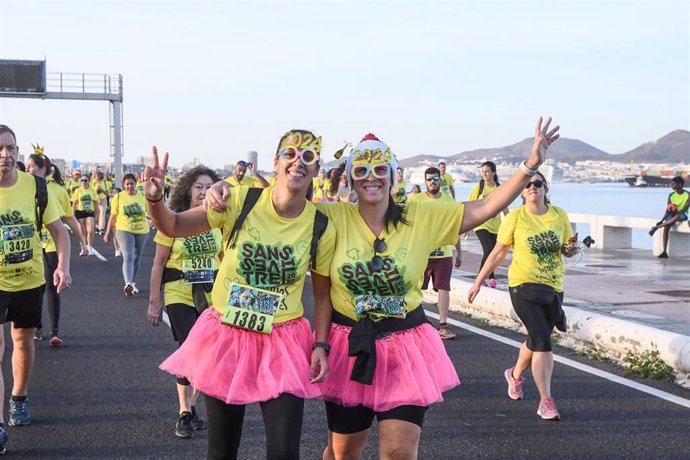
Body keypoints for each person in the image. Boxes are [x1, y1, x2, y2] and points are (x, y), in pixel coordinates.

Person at [208, 118, 560, 459]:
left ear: (393, 176)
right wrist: (225, 192)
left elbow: (484, 207)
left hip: (405, 344)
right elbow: (284, 204)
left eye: (380, 170)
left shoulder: (420, 217)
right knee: (344, 452)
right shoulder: (330, 218)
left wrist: (530, 165)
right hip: (349, 345)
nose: (370, 178)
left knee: (399, 452)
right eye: (361, 171)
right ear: (350, 180)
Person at [145, 129, 335, 460]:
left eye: (308, 157)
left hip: (283, 340)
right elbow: (173, 225)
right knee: (221, 449)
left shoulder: (320, 224)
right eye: (290, 155)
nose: (298, 162)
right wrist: (154, 198)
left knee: (284, 452)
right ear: (276, 162)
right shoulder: (241, 201)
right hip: (228, 334)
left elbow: (321, 295)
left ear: (317, 169)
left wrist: (320, 344)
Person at [468, 171, 576, 421]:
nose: (532, 188)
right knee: (544, 342)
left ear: (546, 189)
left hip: (553, 286)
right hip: (522, 286)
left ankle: (514, 375)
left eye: (537, 184)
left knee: (537, 339)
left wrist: (570, 249)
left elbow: (567, 248)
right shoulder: (516, 217)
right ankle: (546, 401)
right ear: (521, 192)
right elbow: (498, 252)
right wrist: (478, 281)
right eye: (527, 185)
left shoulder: (559, 215)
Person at [0, 125, 71, 454]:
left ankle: (19, 397)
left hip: (29, 279)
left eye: (11, 148)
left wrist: (62, 266)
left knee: (22, 342)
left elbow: (60, 232)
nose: (6, 154)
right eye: (1, 148)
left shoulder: (35, 187)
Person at [147, 165, 221, 439]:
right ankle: (184, 410)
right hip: (179, 291)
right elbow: (158, 263)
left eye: (208, 186)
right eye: (198, 186)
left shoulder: (220, 221)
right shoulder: (173, 220)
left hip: (213, 295)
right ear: (188, 189)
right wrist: (154, 302)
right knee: (190, 347)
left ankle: (192, 406)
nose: (203, 191)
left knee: (209, 353)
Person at [27, 152, 87, 346]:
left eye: (31, 166)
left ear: (43, 168)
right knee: (35, 286)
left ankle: (54, 331)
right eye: (27, 166)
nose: (28, 170)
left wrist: (83, 242)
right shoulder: (23, 188)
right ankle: (36, 327)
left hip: (52, 241)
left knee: (52, 284)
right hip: (32, 244)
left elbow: (69, 219)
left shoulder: (58, 191)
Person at [408, 166, 462, 340]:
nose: (432, 182)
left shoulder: (448, 201)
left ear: (441, 180)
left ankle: (443, 325)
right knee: (414, 288)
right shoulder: (415, 200)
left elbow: (455, 228)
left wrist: (459, 252)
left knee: (444, 289)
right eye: (429, 179)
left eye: (435, 178)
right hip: (421, 252)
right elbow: (406, 226)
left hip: (444, 254)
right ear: (425, 182)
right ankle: (414, 324)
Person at [104, 173, 150, 296]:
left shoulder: (142, 196)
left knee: (137, 257)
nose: (130, 186)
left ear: (136, 184)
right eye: (127, 184)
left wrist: (156, 223)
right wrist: (107, 233)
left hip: (142, 230)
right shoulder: (118, 197)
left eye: (132, 184)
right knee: (128, 256)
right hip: (124, 229)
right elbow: (113, 217)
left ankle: (132, 282)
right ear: (124, 185)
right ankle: (128, 283)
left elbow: (150, 212)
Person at [466, 161, 510, 288]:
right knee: (488, 250)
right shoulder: (478, 187)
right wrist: (466, 226)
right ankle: (480, 278)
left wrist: (511, 222)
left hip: (496, 226)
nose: (485, 174)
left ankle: (490, 277)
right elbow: (470, 205)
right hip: (481, 224)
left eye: (487, 171)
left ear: (494, 173)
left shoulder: (499, 188)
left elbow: (504, 207)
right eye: (483, 172)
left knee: (493, 253)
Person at [649, 176, 689, 258]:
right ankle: (664, 252)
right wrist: (662, 220)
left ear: (680, 184)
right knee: (666, 227)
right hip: (672, 214)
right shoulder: (671, 195)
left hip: (682, 214)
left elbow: (685, 208)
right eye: (672, 183)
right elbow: (667, 210)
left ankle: (657, 227)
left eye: (674, 184)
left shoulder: (688, 194)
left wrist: (675, 210)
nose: (672, 185)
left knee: (678, 216)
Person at [71, 175, 99, 256]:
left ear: (88, 181)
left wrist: (97, 215)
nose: (83, 182)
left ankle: (90, 248)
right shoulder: (78, 191)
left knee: (90, 231)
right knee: (82, 232)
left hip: (89, 212)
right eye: (82, 180)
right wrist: (72, 215)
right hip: (80, 212)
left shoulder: (92, 190)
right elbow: (74, 204)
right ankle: (83, 249)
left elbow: (95, 204)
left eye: (85, 180)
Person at [91, 171, 109, 235]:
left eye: (98, 175)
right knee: (97, 214)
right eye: (96, 176)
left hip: (103, 199)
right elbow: (91, 192)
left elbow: (107, 193)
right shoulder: (92, 183)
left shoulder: (104, 183)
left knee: (102, 214)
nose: (97, 177)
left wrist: (102, 190)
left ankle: (101, 228)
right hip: (96, 200)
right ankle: (97, 227)